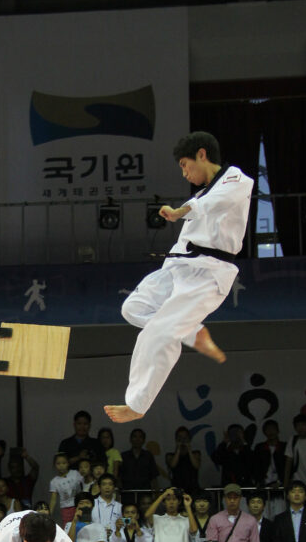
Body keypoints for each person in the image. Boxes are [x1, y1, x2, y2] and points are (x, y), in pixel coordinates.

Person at [105, 131, 253, 423]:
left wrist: (177, 211)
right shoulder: (202, 192)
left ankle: (136, 405)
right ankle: (193, 333)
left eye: (185, 164)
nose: (184, 172)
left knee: (158, 333)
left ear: (202, 154)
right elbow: (203, 204)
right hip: (178, 266)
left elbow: (210, 205)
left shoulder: (236, 180)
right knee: (132, 308)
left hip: (207, 275)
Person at [48, 452, 83, 525]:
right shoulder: (54, 481)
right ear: (55, 465)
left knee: (81, 525)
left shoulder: (75, 473)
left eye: (64, 463)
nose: (61, 466)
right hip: (66, 508)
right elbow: (53, 499)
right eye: (58, 463)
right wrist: (49, 513)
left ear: (68, 463)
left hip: (79, 505)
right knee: (68, 526)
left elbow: (84, 485)